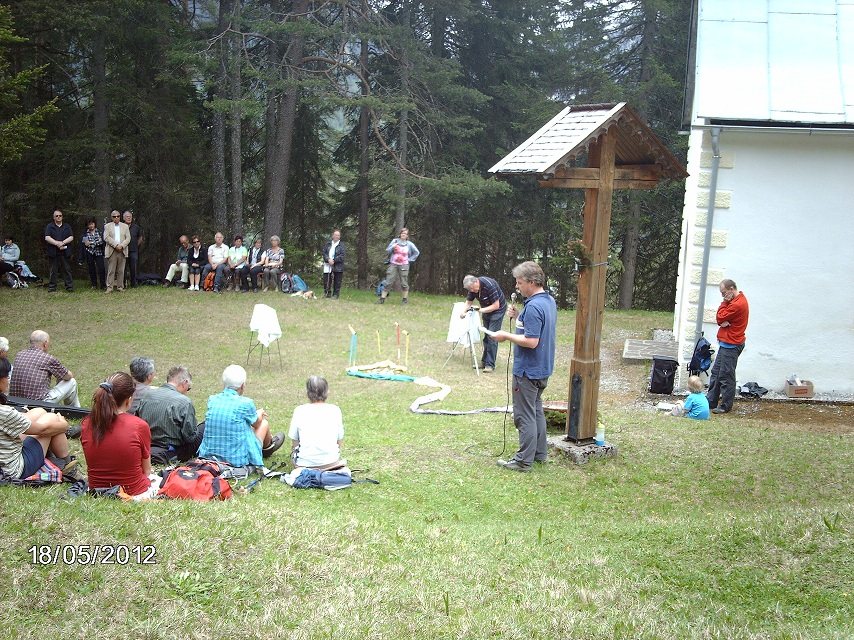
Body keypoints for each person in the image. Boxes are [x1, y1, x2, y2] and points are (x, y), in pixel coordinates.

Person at [493, 261, 557, 472]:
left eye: (520, 283)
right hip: (542, 368)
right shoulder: (547, 301)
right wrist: (519, 317)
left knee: (524, 415)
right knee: (536, 411)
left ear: (531, 282)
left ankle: (523, 461)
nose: (517, 287)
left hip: (527, 371)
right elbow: (536, 326)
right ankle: (539, 454)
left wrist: (505, 336)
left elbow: (531, 341)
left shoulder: (534, 307)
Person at [0, 357, 81, 481]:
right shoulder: (3, 412)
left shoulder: (21, 355)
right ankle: (68, 467)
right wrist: (63, 425)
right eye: (6, 376)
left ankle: (54, 452)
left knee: (39, 411)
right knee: (52, 419)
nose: (8, 378)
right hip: (11, 468)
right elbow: (42, 430)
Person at [81, 372, 159, 500]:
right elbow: (147, 471)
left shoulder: (87, 424)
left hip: (96, 489)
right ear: (128, 400)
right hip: (133, 491)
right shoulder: (139, 425)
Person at [197, 365, 284, 466]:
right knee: (264, 423)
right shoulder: (246, 403)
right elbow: (256, 424)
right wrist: (259, 413)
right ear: (243, 385)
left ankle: (268, 446)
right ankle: (268, 447)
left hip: (209, 456)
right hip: (236, 459)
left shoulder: (212, 400)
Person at [136, 365, 204, 463]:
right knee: (204, 427)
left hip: (148, 445)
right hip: (172, 450)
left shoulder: (147, 395)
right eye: (188, 388)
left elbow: (137, 422)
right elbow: (190, 437)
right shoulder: (184, 402)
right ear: (185, 383)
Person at [706, 279, 749, 415]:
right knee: (716, 372)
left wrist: (725, 303)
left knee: (726, 376)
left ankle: (725, 405)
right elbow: (721, 319)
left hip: (731, 345)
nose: (722, 296)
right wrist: (724, 316)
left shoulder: (737, 304)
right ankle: (711, 400)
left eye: (723, 293)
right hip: (726, 344)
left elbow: (719, 318)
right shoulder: (736, 301)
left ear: (731, 289)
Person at [10, 330, 80, 408]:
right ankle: (75, 410)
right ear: (45, 343)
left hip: (15, 403)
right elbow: (68, 376)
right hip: (38, 405)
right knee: (71, 382)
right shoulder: (47, 359)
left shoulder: (19, 355)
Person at [288, 376, 344, 469]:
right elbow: (339, 440)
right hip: (332, 463)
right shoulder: (335, 410)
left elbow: (294, 440)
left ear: (307, 394)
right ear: (328, 393)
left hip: (304, 465)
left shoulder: (299, 411)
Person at [460, 275, 507, 373]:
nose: (472, 291)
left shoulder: (489, 285)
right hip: (486, 311)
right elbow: (469, 302)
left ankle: (490, 365)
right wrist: (463, 312)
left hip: (498, 311)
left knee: (492, 336)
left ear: (476, 281)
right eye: (470, 290)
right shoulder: (472, 289)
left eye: (473, 288)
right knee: (486, 336)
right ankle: (484, 362)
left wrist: (481, 310)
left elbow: (496, 305)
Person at [377, 227, 419, 305]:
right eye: (402, 233)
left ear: (407, 236)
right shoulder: (394, 241)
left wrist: (410, 259)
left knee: (404, 283)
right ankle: (382, 299)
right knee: (388, 281)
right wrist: (393, 246)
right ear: (400, 234)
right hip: (393, 264)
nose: (404, 235)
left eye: (405, 234)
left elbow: (416, 252)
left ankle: (404, 300)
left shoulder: (409, 244)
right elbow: (387, 250)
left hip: (404, 265)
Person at [44, 209, 75, 292]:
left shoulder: (67, 226)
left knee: (67, 269)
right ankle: (52, 287)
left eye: (60, 216)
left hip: (65, 252)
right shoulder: (50, 226)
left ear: (62, 217)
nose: (58, 217)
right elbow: (47, 237)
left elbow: (71, 237)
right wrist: (56, 243)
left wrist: (63, 243)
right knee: (53, 270)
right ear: (54, 217)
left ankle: (69, 287)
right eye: (56, 216)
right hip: (53, 252)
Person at [104, 210, 130, 292]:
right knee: (111, 270)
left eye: (118, 216)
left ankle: (120, 287)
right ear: (111, 217)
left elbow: (128, 238)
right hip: (112, 250)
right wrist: (115, 245)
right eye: (114, 216)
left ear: (120, 217)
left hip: (122, 250)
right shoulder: (107, 226)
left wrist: (122, 245)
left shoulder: (125, 226)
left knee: (121, 270)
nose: (116, 218)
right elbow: (106, 237)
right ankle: (109, 287)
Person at [80, 218, 106, 290]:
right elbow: (86, 244)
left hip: (99, 252)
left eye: (92, 224)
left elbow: (102, 242)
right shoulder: (85, 234)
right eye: (89, 224)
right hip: (89, 252)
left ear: (94, 224)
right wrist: (95, 242)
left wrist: (92, 242)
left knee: (101, 268)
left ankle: (103, 284)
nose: (91, 226)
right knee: (91, 269)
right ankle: (94, 284)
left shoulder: (100, 232)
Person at [322, 230, 345, 299]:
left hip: (338, 265)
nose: (336, 236)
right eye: (335, 235)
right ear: (332, 236)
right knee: (326, 279)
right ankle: (327, 293)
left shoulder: (342, 245)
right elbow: (324, 253)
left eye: (338, 235)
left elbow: (342, 256)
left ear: (339, 236)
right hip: (327, 264)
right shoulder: (328, 244)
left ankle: (335, 294)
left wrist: (334, 261)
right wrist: (328, 259)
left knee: (337, 281)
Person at [123, 211, 143, 288]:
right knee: (123, 268)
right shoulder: (121, 226)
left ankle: (134, 283)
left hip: (133, 250)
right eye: (127, 216)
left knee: (133, 267)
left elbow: (140, 238)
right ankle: (123, 283)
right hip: (123, 250)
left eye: (130, 217)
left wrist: (136, 245)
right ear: (124, 218)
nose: (129, 218)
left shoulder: (136, 227)